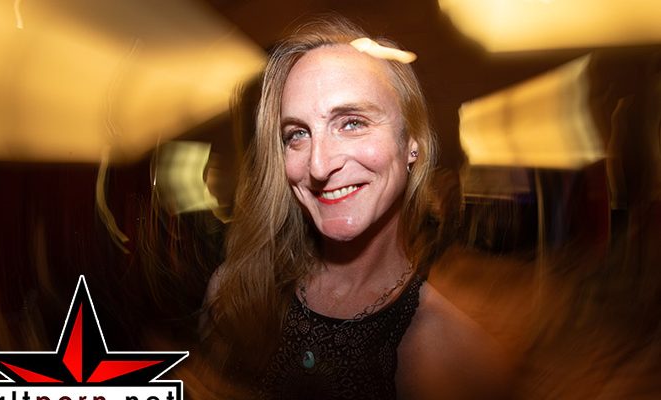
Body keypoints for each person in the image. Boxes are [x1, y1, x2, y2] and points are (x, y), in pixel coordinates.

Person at [201, 16, 512, 400]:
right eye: (297, 134)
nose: (318, 166)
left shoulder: (459, 361)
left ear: (411, 143)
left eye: (351, 123)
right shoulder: (233, 294)